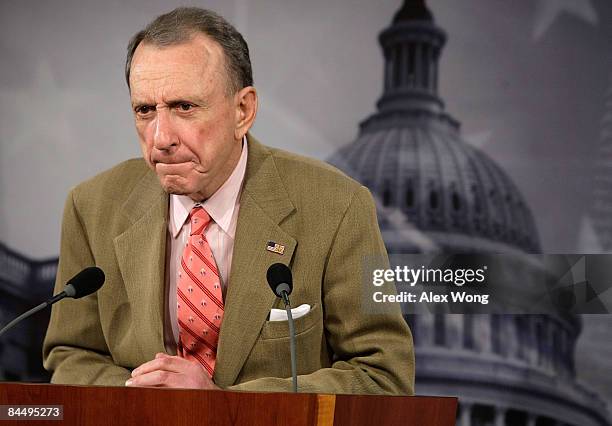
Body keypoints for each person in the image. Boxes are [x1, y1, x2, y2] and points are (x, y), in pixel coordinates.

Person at [43, 7, 414, 394]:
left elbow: (381, 374)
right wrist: (143, 398)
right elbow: (71, 355)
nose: (159, 138)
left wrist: (220, 406)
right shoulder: (90, 207)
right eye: (145, 110)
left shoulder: (339, 206)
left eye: (184, 107)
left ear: (243, 110)